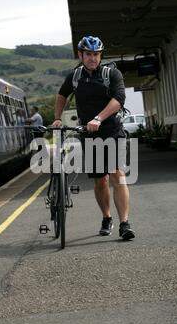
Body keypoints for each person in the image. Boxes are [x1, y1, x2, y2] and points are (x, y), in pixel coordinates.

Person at [52, 35, 135, 240]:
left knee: (117, 174)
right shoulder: (75, 76)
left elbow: (118, 100)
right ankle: (107, 218)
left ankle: (124, 223)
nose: (92, 58)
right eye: (88, 54)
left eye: (96, 54)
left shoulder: (112, 74)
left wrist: (98, 118)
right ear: (81, 55)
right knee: (100, 180)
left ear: (100, 55)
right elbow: (62, 95)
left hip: (111, 130)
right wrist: (57, 119)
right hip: (88, 134)